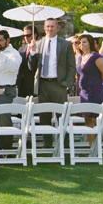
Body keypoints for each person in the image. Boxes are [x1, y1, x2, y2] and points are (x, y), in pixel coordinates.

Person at [28, 18, 75, 148]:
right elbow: (31, 67)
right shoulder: (38, 44)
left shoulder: (65, 45)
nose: (50, 29)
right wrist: (32, 52)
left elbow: (71, 66)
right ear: (44, 28)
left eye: (52, 27)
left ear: (57, 28)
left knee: (62, 115)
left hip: (59, 84)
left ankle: (64, 145)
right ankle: (47, 144)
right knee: (44, 115)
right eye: (47, 26)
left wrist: (67, 84)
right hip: (43, 84)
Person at [76, 34, 103, 140]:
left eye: (84, 42)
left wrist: (96, 83)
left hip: (95, 91)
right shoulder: (80, 57)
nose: (81, 44)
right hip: (84, 93)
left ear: (90, 43)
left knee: (95, 119)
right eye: (80, 42)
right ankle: (91, 148)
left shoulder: (96, 57)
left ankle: (98, 147)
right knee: (87, 120)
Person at [17, 25, 38, 99]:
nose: (26, 37)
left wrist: (33, 51)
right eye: (24, 35)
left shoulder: (40, 48)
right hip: (21, 83)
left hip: (33, 83)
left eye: (28, 35)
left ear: (35, 35)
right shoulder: (21, 49)